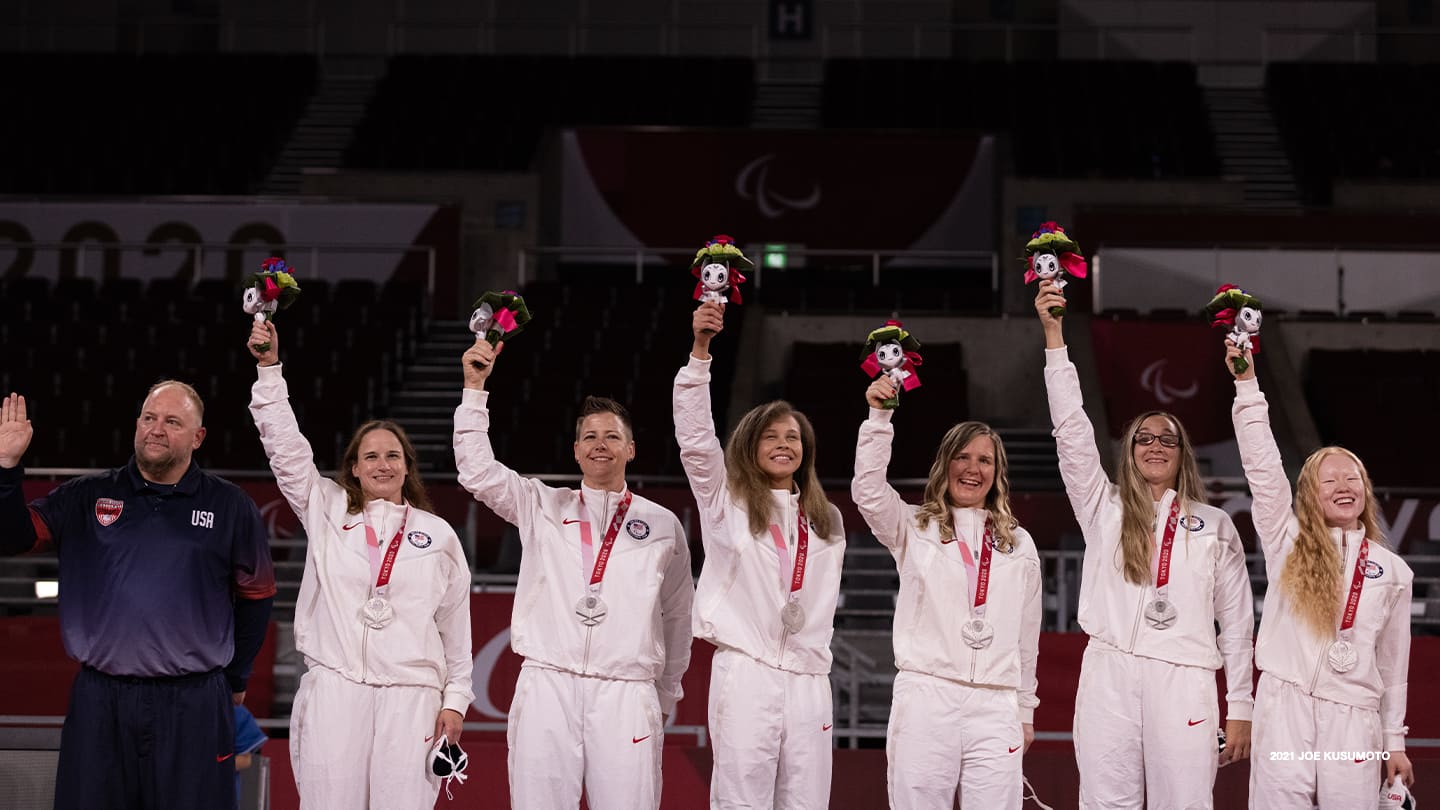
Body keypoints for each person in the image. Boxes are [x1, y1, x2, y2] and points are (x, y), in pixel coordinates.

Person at [0, 383, 276, 810]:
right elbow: (12, 538)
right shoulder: (86, 496)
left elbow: (257, 596)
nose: (156, 429)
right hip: (100, 700)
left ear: (198, 437)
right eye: (149, 418)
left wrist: (236, 678)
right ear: (136, 425)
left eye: (172, 421)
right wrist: (6, 468)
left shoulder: (230, 505)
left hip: (194, 702)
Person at [1034, 280, 1255, 808]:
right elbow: (1071, 431)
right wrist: (1054, 337)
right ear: (1129, 451)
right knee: (1105, 802)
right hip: (1109, 673)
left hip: (1185, 679)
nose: (1155, 446)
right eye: (1144, 438)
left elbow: (1238, 622)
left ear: (1183, 454)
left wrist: (1242, 705)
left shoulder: (1215, 524)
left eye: (1167, 439)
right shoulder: (1102, 506)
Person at [453, 337, 694, 810]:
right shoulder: (541, 504)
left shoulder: (663, 524)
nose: (600, 445)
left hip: (627, 692)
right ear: (576, 451)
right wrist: (474, 391)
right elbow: (477, 473)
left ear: (631, 449)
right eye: (590, 437)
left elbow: (678, 616)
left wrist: (665, 693)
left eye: (612, 437)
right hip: (548, 684)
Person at [245, 320, 473, 809]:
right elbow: (286, 450)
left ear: (407, 466)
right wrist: (269, 371)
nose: (382, 464)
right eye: (370, 456)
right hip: (337, 690)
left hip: (412, 697)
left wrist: (455, 700)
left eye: (392, 456)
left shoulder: (438, 535)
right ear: (353, 466)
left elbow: (456, 629)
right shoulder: (326, 509)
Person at [1225, 338, 1414, 807]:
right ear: (1311, 495)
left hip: (1353, 718)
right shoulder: (1285, 540)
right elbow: (1263, 468)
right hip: (1284, 707)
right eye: (1329, 480)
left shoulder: (1393, 571)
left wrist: (1394, 740)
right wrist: (1247, 385)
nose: (1343, 486)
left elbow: (1393, 665)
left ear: (1366, 491)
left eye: (1353, 478)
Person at [674, 301, 846, 810]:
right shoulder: (725, 501)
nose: (783, 444)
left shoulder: (827, 520)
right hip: (748, 670)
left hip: (810, 678)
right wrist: (701, 351)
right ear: (750, 446)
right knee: (741, 800)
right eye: (770, 436)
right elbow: (695, 440)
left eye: (793, 437)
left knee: (807, 802)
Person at [851, 374, 1042, 810]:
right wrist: (879, 419)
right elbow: (868, 492)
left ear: (997, 473)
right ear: (945, 465)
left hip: (996, 702)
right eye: (963, 457)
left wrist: (1024, 709)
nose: (973, 469)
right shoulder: (914, 526)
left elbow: (1026, 634)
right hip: (927, 696)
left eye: (985, 460)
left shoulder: (1019, 543)